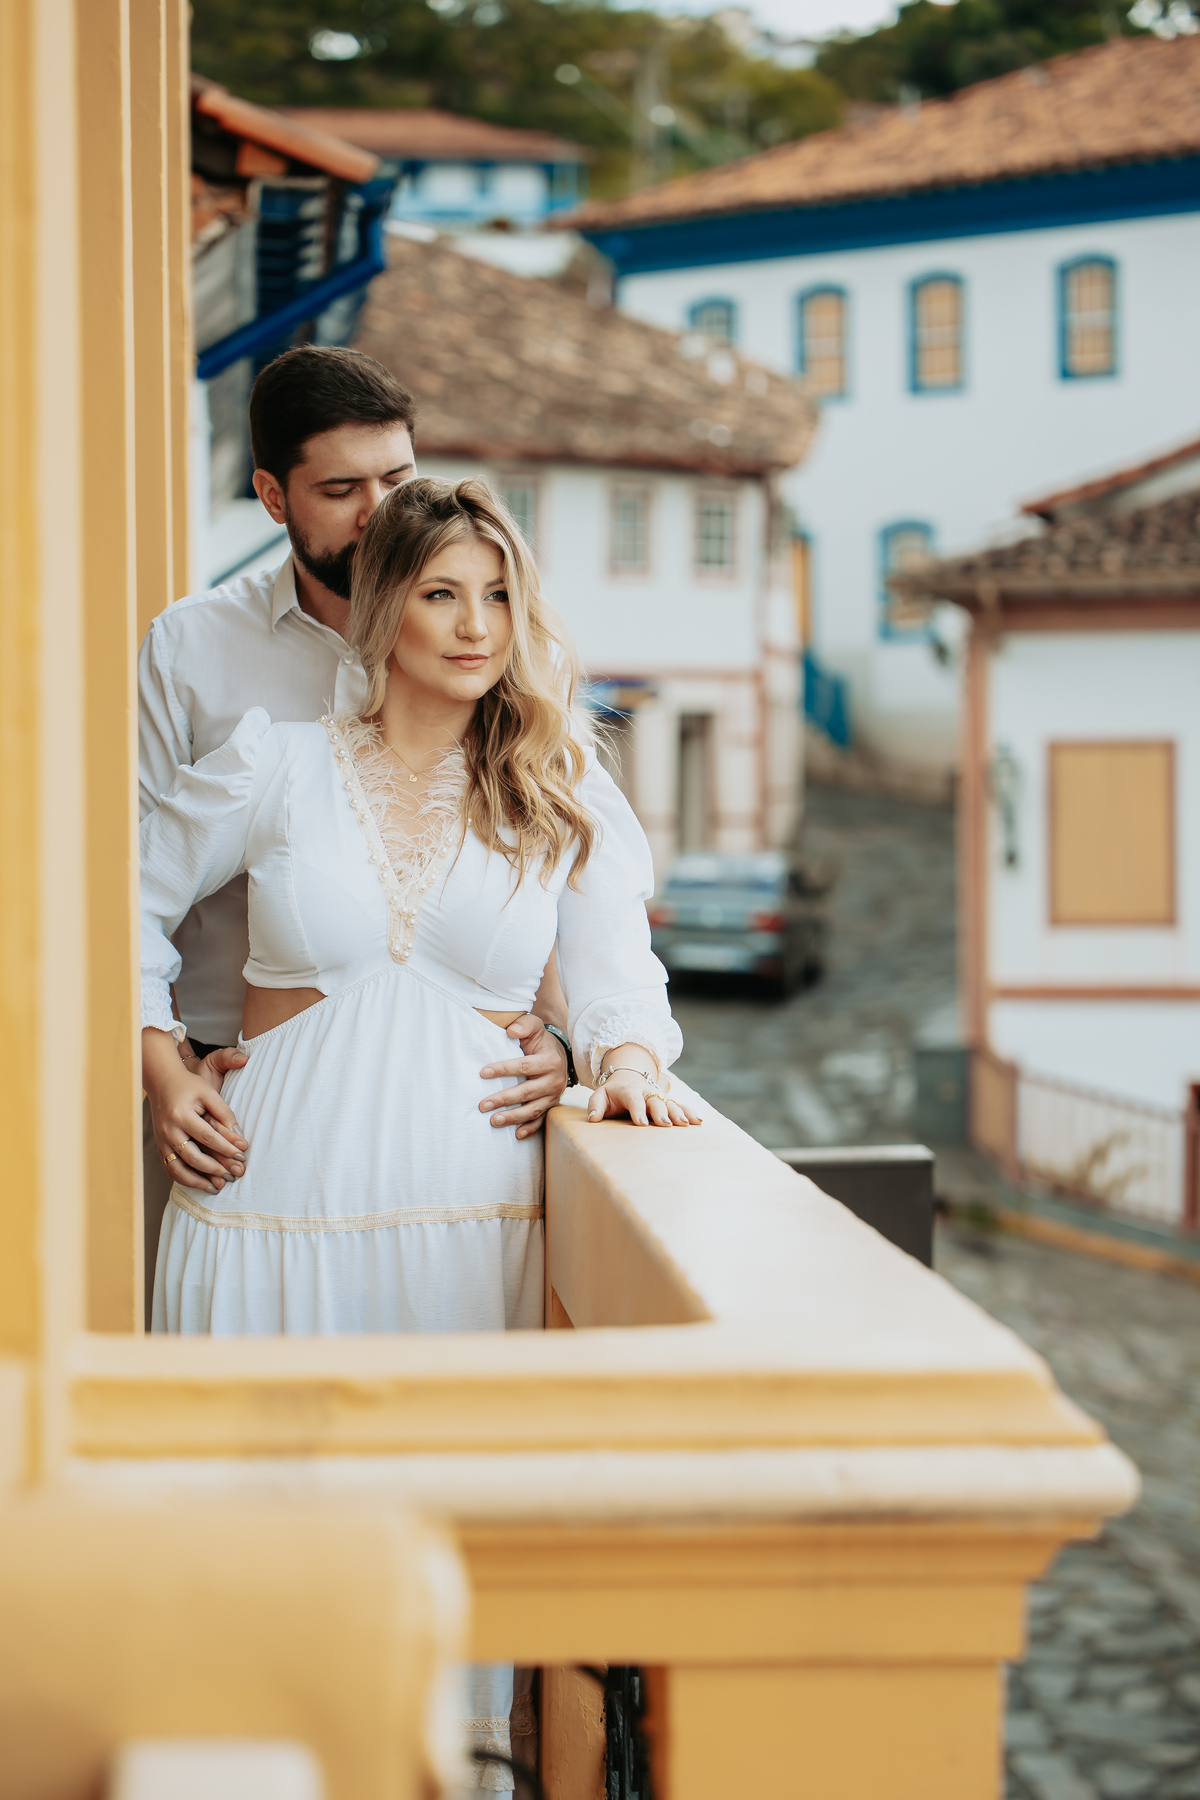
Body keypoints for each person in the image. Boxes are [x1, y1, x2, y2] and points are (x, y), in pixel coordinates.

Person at [140, 475, 699, 1788]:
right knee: (265, 1577)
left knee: (457, 1580)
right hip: (267, 1216)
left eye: (499, 595)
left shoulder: (556, 779)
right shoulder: (276, 761)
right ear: (385, 609)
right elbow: (118, 900)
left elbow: (620, 981)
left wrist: (607, 1058)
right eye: (443, 593)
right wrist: (163, 1068)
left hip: (471, 1234)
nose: (475, 624)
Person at [139, 347, 570, 1320]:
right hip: (232, 1111)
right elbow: (128, 882)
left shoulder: (490, 666)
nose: (378, 511)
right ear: (271, 495)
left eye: (398, 479)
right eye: (340, 489)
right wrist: (159, 1064)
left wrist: (577, 1044)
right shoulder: (193, 650)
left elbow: (570, 884)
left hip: (460, 1161)